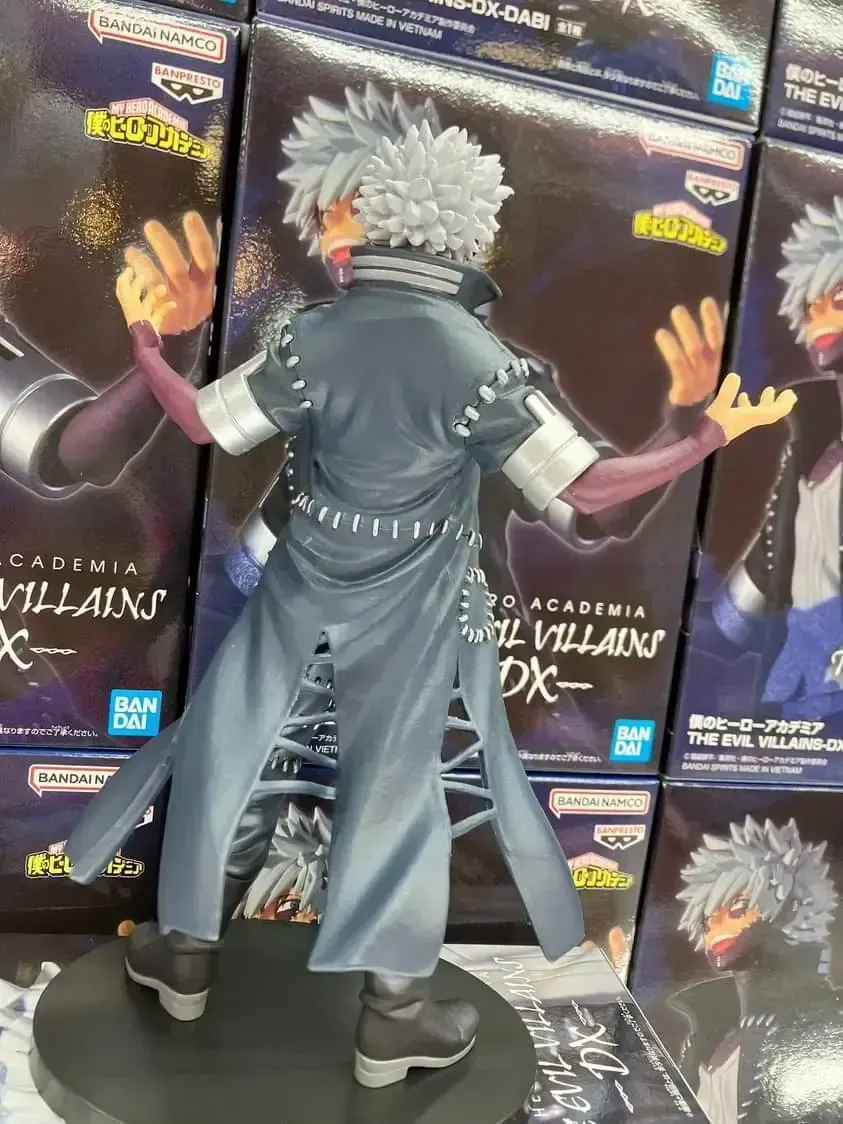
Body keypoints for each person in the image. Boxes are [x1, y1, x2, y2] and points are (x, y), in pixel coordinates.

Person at [66, 118, 793, 1089]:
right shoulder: (479, 360)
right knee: (396, 797)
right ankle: (392, 1016)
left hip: (295, 591)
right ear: (467, 231)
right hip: (412, 615)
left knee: (230, 757)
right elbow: (587, 490)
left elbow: (202, 423)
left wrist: (147, 343)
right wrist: (702, 438)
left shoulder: (313, 334)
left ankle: (186, 957)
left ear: (380, 219)